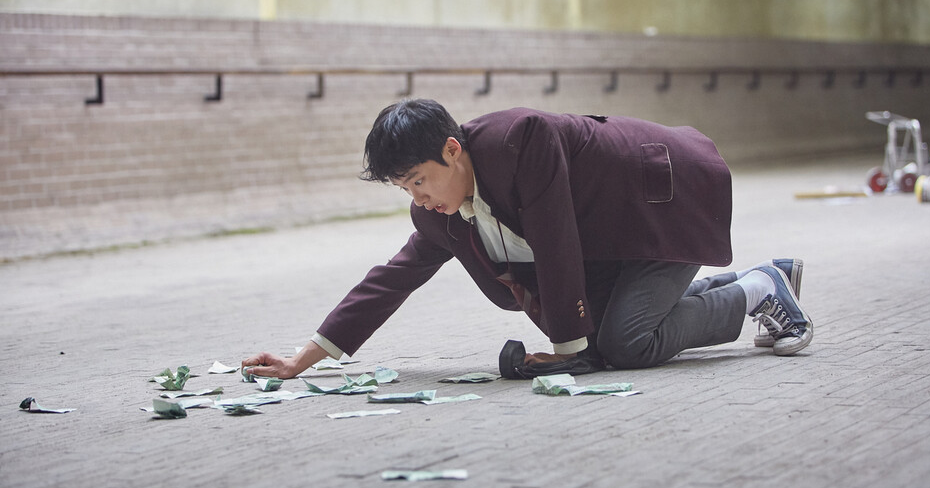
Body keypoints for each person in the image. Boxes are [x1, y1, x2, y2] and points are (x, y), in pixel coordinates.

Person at [241, 100, 813, 380]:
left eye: (418, 180)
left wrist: (571, 353)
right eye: (403, 188)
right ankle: (761, 279)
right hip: (614, 240)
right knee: (607, 334)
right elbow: (393, 278)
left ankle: (759, 290)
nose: (417, 197)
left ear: (451, 150)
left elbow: (557, 239)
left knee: (625, 344)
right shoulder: (438, 215)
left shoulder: (522, 142)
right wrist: (301, 361)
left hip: (664, 203)